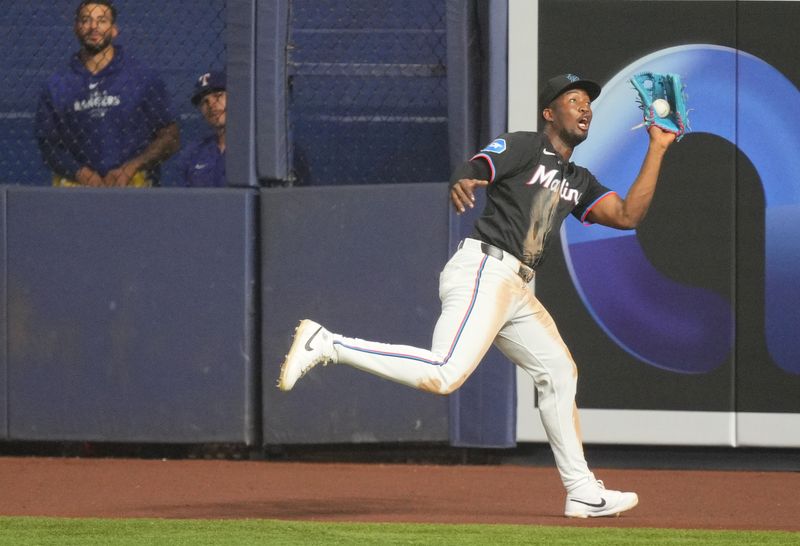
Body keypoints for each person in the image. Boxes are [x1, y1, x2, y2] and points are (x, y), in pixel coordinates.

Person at [277, 74, 677, 518]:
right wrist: (463, 178)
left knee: (560, 373)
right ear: (550, 113)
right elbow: (478, 166)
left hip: (516, 288)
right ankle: (329, 343)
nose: (585, 108)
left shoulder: (577, 179)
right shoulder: (527, 146)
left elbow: (627, 215)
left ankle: (581, 490)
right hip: (486, 268)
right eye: (574, 99)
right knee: (445, 374)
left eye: (588, 102)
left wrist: (657, 147)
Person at [35, 0, 179, 187]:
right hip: (76, 190)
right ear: (76, 28)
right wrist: (80, 173)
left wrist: (131, 168)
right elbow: (48, 144)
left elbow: (171, 136)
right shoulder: (57, 85)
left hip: (135, 186)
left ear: (114, 29)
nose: (93, 27)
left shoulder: (142, 77)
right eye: (86, 20)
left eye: (102, 20)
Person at [180, 71, 226, 187]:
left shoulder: (254, 148)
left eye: (218, 96)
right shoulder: (193, 152)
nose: (211, 105)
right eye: (205, 102)